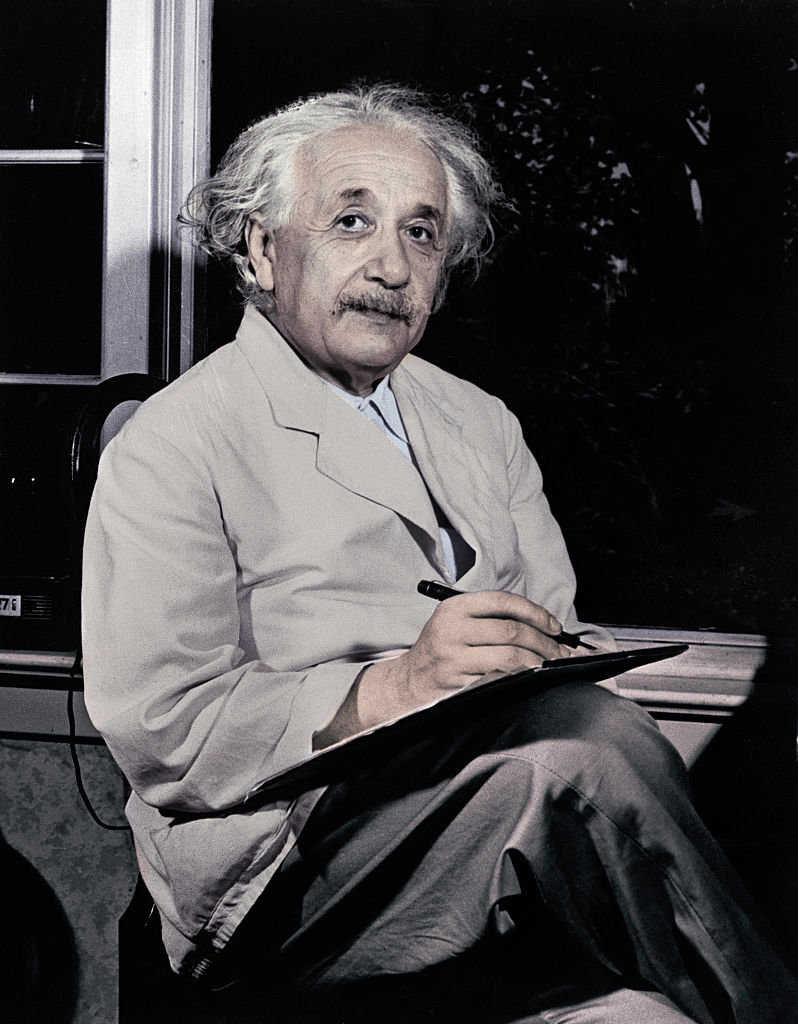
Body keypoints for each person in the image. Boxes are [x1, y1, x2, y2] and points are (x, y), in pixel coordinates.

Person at [81, 85, 798, 1024]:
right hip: (280, 861)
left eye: (421, 234)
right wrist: (399, 683)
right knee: (573, 762)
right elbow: (164, 728)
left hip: (485, 803)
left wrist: (548, 657)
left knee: (599, 739)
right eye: (351, 221)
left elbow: (556, 629)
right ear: (261, 248)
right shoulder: (175, 442)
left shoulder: (479, 420)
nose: (392, 266)